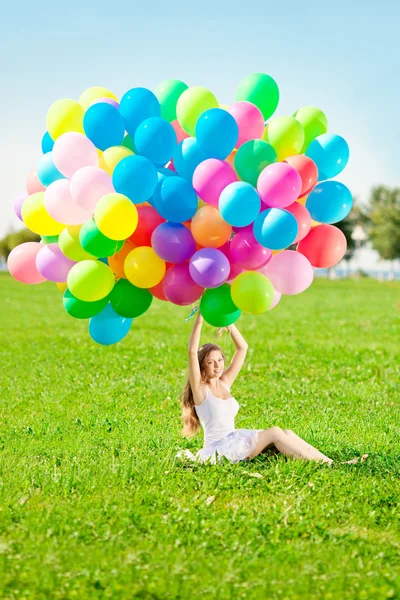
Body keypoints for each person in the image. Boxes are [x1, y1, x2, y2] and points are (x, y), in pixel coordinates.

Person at [178, 311, 367, 465]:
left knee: (287, 434)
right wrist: (201, 316)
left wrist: (228, 322)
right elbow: (192, 351)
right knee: (275, 432)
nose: (218, 366)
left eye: (220, 360)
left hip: (234, 439)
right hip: (220, 450)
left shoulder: (224, 382)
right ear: (202, 366)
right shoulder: (201, 391)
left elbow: (242, 348)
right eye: (211, 362)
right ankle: (329, 466)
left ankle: (329, 461)